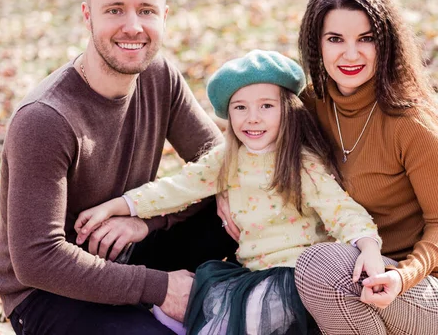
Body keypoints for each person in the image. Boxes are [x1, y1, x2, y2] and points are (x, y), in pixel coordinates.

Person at [0, 0, 237, 335]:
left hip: (129, 251)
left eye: (146, 11)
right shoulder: (44, 119)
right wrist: (161, 287)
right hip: (50, 293)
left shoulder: (160, 77)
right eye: (114, 9)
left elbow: (226, 166)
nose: (133, 26)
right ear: (87, 16)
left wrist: (146, 218)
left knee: (241, 208)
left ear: (164, 17)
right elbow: (36, 259)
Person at [74, 49, 385, 335]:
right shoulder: (226, 159)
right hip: (251, 274)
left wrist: (369, 247)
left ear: (287, 111)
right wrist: (121, 205)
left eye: (266, 106)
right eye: (240, 107)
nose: (252, 117)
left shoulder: (300, 163)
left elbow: (340, 209)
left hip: (296, 279)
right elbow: (179, 187)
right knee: (191, 308)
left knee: (243, 320)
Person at [289, 0, 438, 334]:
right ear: (317, 44)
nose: (350, 54)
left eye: (366, 38)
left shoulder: (413, 124)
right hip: (355, 282)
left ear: (387, 43)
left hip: (432, 293)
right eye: (335, 39)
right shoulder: (310, 105)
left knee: (321, 266)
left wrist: (402, 277)